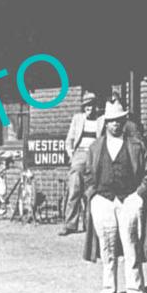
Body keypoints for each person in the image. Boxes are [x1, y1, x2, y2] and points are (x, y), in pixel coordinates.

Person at [81, 99, 147, 293]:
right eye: (112, 121)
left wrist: (140, 193)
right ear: (105, 123)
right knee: (107, 245)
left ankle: (135, 289)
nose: (115, 124)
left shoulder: (136, 145)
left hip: (129, 198)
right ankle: (109, 289)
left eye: (119, 120)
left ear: (124, 121)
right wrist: (93, 194)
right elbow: (87, 173)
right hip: (103, 199)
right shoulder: (96, 147)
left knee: (131, 243)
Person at [60, 91, 103, 235]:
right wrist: (71, 154)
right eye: (87, 107)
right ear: (84, 108)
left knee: (91, 191)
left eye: (92, 106)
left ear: (96, 107)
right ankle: (70, 224)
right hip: (79, 154)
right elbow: (69, 140)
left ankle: (89, 225)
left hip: (94, 155)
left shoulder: (101, 120)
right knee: (74, 188)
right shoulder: (77, 119)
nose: (90, 109)